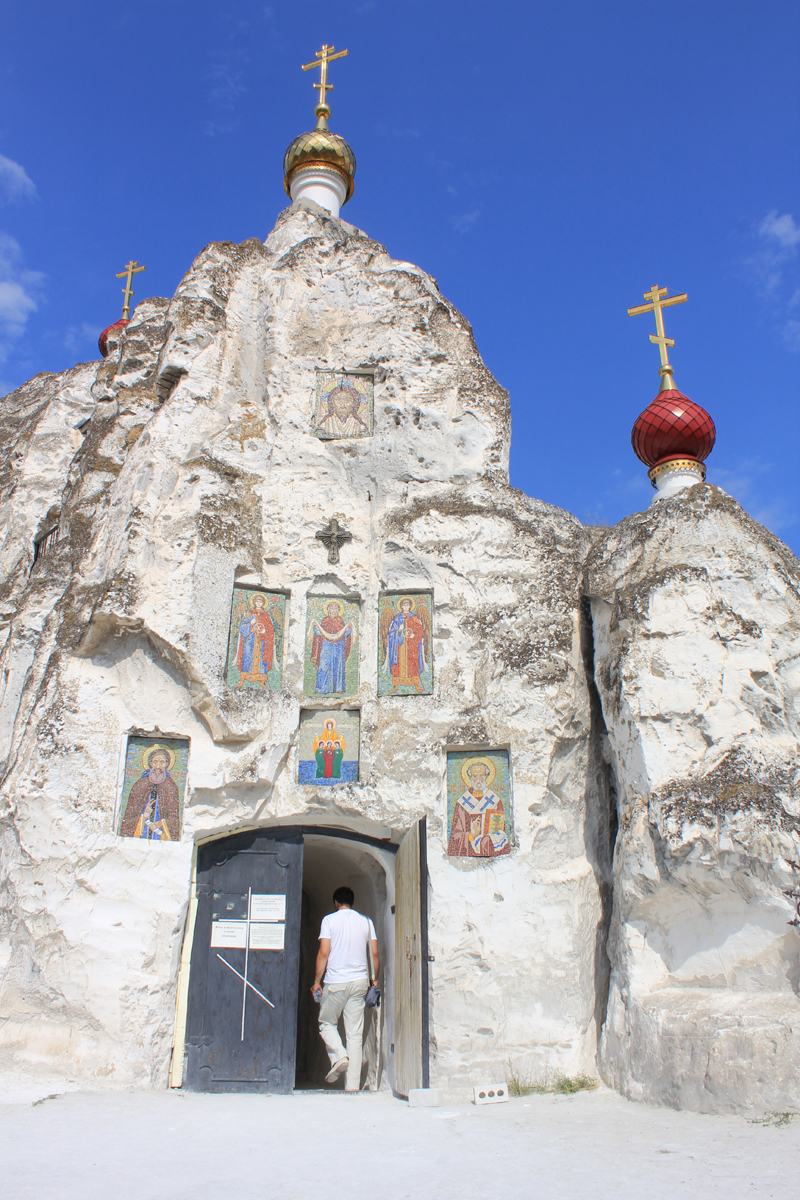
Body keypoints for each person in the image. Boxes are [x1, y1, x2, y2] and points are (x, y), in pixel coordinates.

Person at [312, 886, 379, 1093]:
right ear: (353, 903)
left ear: (335, 903)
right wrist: (374, 979)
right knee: (355, 1035)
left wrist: (316, 981)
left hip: (335, 982)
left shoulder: (329, 921)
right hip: (359, 982)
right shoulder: (366, 921)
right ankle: (352, 1088)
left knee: (326, 1022)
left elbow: (324, 953)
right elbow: (374, 953)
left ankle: (339, 1056)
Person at [447, 757, 509, 857]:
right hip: (469, 854)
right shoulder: (462, 803)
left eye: (481, 776)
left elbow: (500, 831)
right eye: (475, 776)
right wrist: (471, 835)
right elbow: (455, 837)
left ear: (487, 776)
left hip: (490, 848)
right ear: (470, 778)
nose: (478, 780)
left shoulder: (494, 800)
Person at [120, 745, 181, 840]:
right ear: (150, 763)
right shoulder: (140, 784)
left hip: (160, 835)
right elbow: (129, 816)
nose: (157, 766)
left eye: (162, 762)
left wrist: (161, 823)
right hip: (141, 832)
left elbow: (174, 817)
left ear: (167, 764)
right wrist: (144, 816)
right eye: (155, 762)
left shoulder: (171, 786)